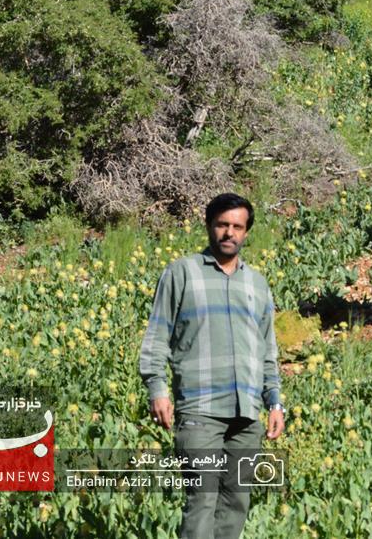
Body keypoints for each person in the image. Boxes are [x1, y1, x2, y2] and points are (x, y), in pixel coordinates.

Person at [139, 193, 284, 539]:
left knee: (236, 501)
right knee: (202, 498)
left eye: (237, 226)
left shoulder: (258, 284)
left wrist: (274, 402)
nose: (229, 233)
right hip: (199, 410)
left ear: (247, 232)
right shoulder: (181, 273)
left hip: (247, 413)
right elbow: (157, 338)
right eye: (222, 224)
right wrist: (157, 390)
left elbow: (267, 350)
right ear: (208, 226)